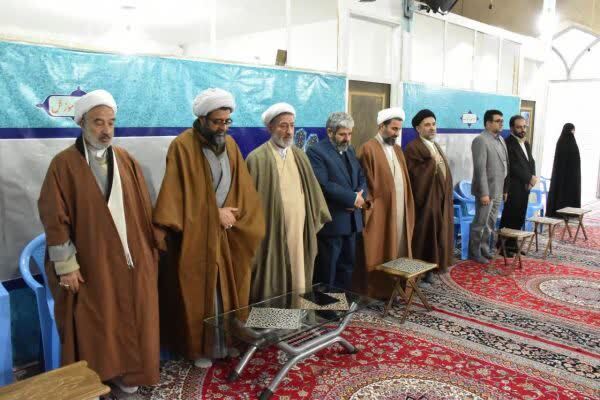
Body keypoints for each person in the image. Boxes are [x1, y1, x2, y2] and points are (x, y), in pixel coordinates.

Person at [38, 90, 159, 393]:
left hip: (132, 260)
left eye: (111, 123)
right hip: (93, 263)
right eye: (98, 122)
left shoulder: (127, 160)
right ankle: (101, 377)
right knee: (100, 321)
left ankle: (130, 376)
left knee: (136, 314)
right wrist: (66, 266)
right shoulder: (63, 164)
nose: (106, 130)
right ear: (82, 124)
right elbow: (54, 218)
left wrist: (149, 253)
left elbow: (143, 210)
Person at [153, 88, 265, 368]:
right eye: (217, 122)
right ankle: (201, 349)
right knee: (205, 294)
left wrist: (233, 217)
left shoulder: (231, 145)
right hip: (198, 235)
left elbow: (243, 188)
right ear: (202, 119)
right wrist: (213, 214)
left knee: (231, 290)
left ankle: (228, 342)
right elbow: (176, 197)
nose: (222, 128)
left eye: (227, 122)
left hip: (228, 234)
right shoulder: (182, 146)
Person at [246, 103, 330, 302]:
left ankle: (298, 315)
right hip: (271, 235)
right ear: (270, 128)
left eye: (292, 125)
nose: (289, 131)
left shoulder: (300, 156)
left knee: (300, 276)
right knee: (272, 280)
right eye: (283, 126)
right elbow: (248, 205)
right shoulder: (256, 159)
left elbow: (314, 195)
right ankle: (273, 319)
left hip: (300, 233)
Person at [355, 107, 415, 298]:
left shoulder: (397, 149)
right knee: (379, 248)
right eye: (393, 129)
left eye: (399, 129)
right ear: (381, 126)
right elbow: (362, 183)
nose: (397, 133)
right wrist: (370, 207)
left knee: (399, 247)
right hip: (380, 211)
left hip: (399, 210)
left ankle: (397, 287)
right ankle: (378, 291)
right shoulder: (368, 148)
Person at [306, 112, 367, 289]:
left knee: (347, 268)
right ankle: (325, 304)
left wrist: (360, 197)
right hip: (332, 223)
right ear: (330, 132)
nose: (347, 138)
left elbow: (361, 177)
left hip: (352, 221)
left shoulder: (350, 149)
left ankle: (342, 301)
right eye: (342, 134)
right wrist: (352, 199)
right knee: (328, 271)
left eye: (349, 134)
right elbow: (323, 185)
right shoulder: (316, 152)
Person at [404, 109, 453, 283]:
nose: (432, 128)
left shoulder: (435, 145)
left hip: (440, 198)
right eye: (427, 125)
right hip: (426, 200)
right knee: (426, 235)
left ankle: (434, 267)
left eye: (433, 124)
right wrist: (431, 163)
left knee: (439, 233)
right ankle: (422, 272)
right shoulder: (413, 147)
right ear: (418, 128)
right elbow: (414, 174)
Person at [469, 109, 510, 264]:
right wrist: (484, 193)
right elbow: (480, 170)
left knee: (490, 223)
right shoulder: (480, 140)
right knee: (480, 223)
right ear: (488, 123)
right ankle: (474, 252)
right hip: (486, 191)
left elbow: (505, 166)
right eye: (498, 121)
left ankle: (485, 249)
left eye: (502, 121)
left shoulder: (501, 140)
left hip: (498, 189)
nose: (501, 123)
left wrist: (505, 189)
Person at [498, 115, 537, 255]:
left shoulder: (526, 143)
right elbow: (513, 166)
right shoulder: (508, 143)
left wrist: (532, 178)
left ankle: (513, 245)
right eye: (519, 127)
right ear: (512, 128)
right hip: (513, 186)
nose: (523, 129)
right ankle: (502, 247)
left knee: (519, 216)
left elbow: (531, 162)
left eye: (524, 126)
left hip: (525, 186)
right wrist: (529, 178)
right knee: (510, 216)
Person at [546, 123, 581, 217]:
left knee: (561, 191)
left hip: (561, 175)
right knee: (566, 192)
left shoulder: (561, 141)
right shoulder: (569, 143)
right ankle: (567, 212)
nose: (573, 132)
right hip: (569, 175)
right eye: (572, 130)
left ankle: (559, 211)